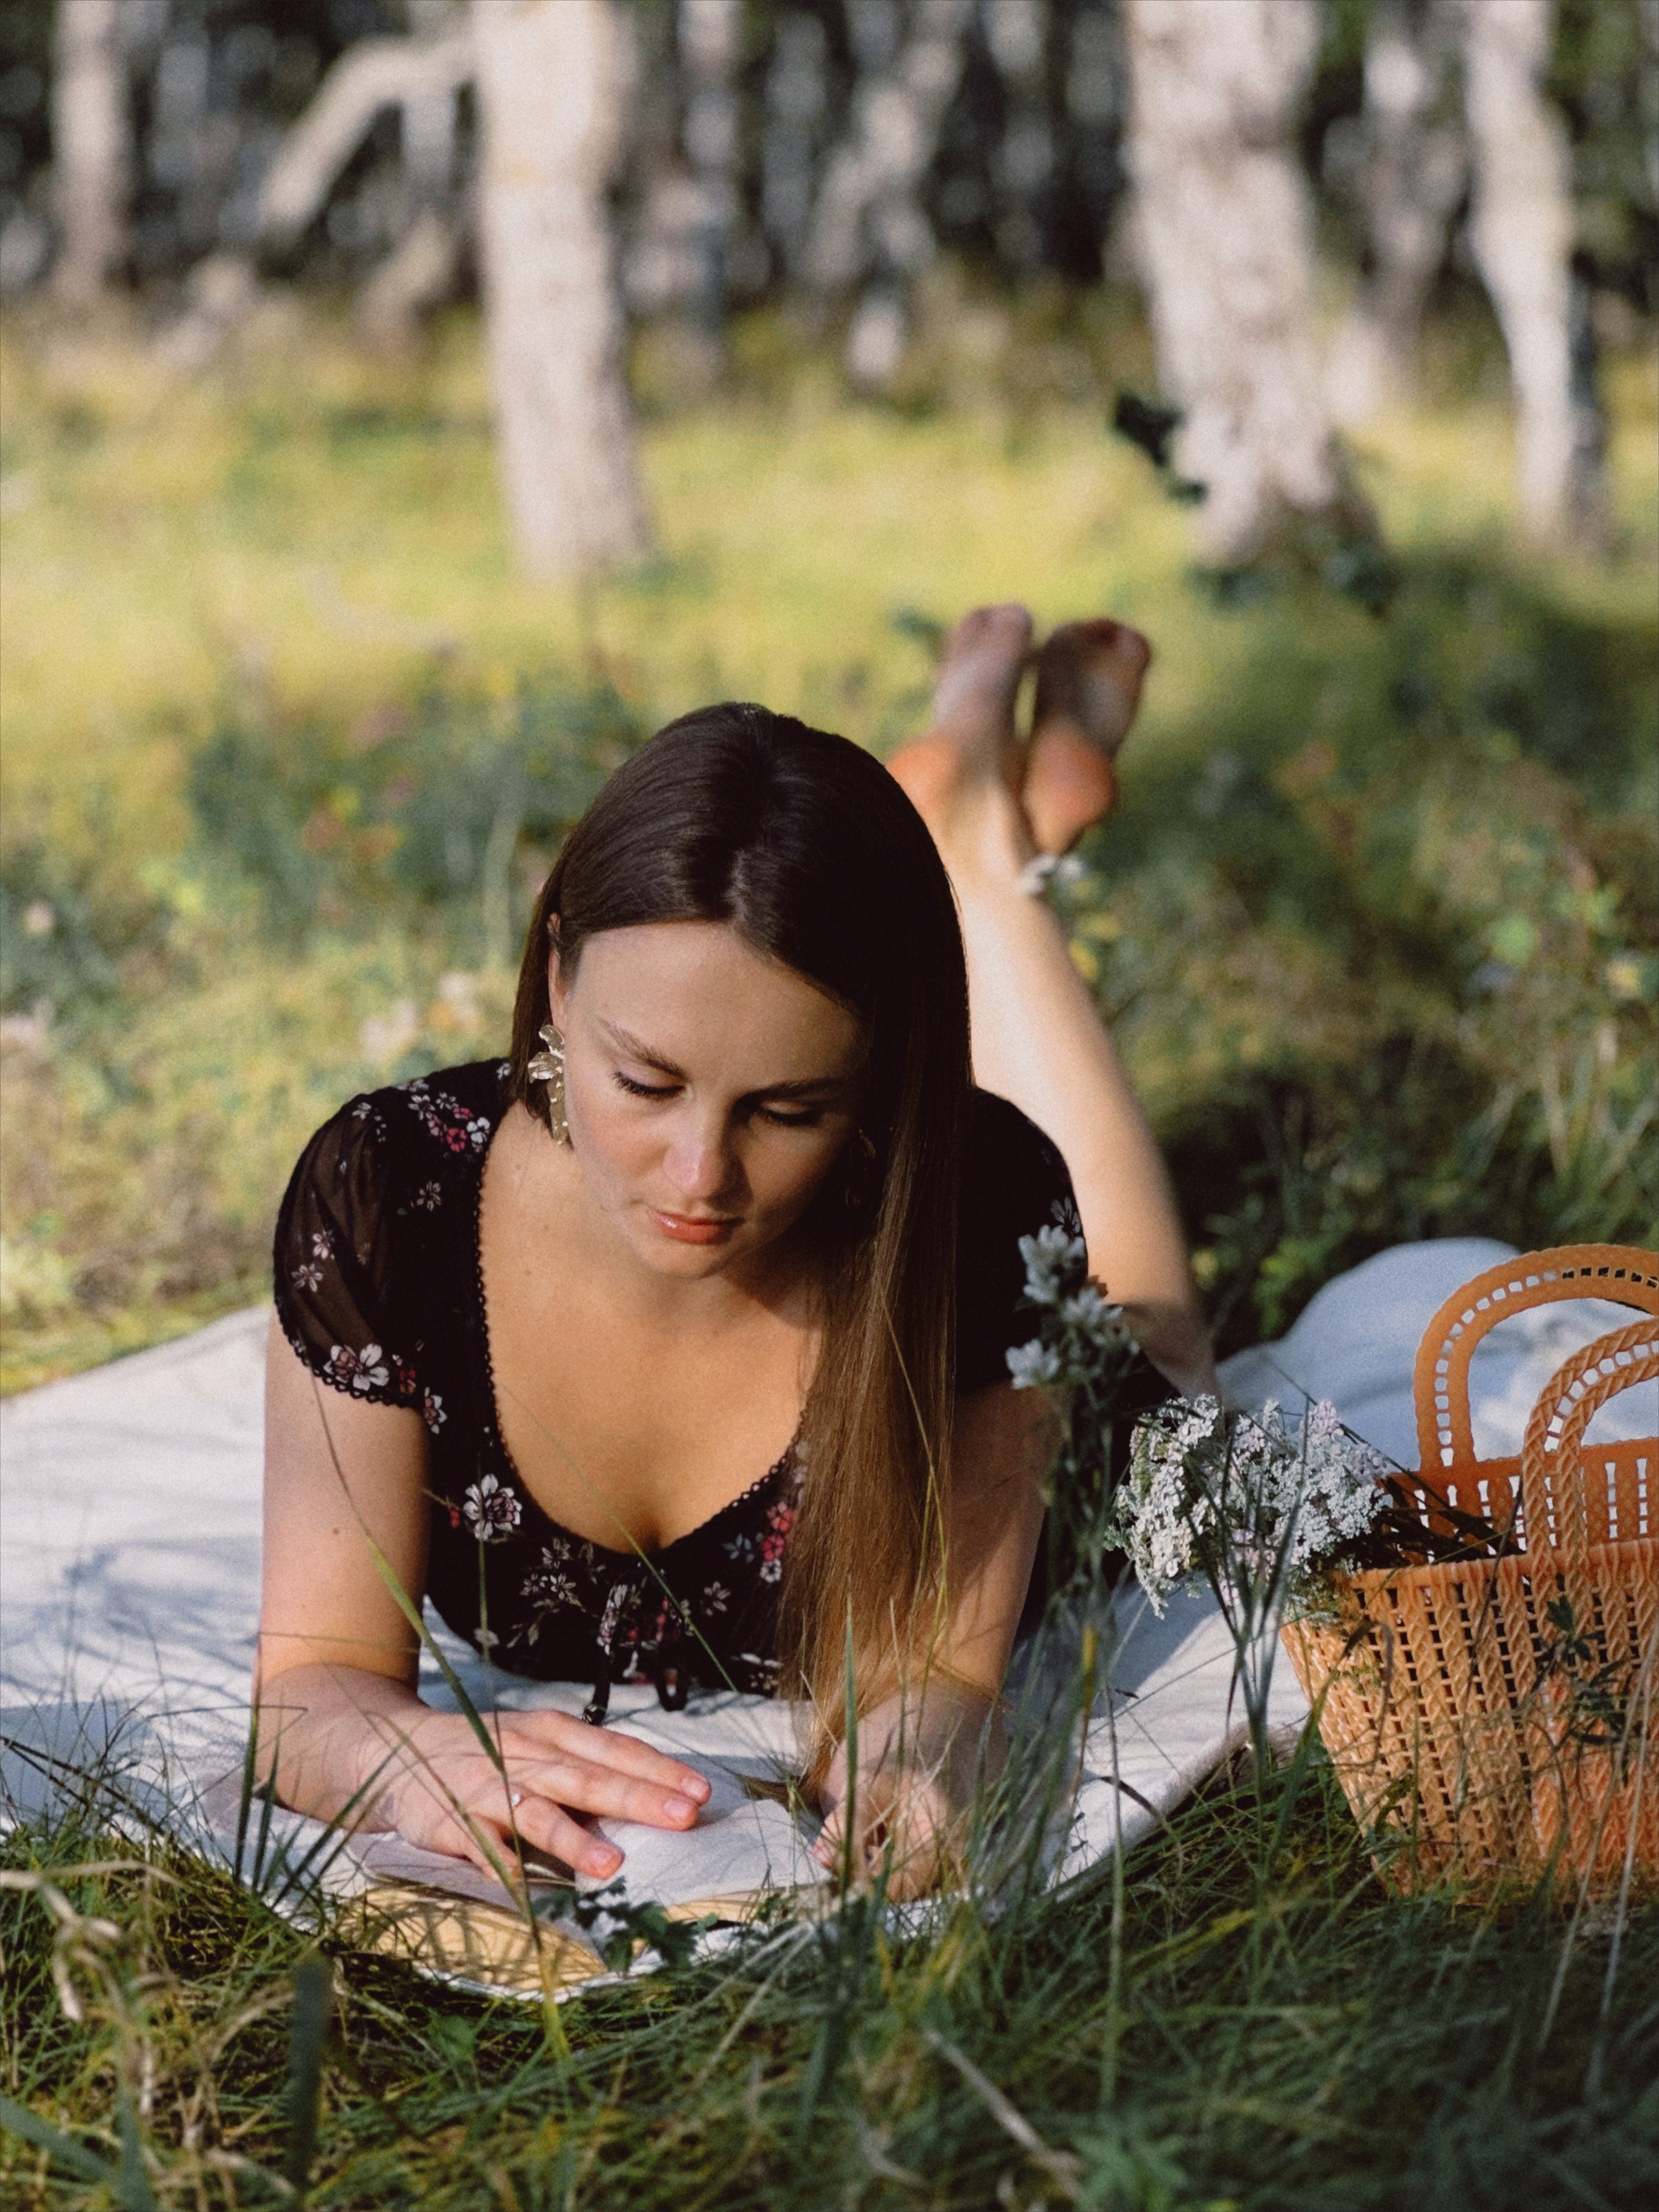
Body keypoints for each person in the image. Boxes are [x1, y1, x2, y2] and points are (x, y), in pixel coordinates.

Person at [255, 606, 1212, 1900]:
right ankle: (988, 831)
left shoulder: (972, 1200)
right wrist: (406, 1754)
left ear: (872, 1089)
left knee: (1160, 1338)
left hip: (1048, 1372)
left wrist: (923, 1762)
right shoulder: (386, 1204)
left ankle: (987, 867)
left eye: (786, 1110)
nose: (700, 1177)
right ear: (555, 980)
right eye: (643, 1083)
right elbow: (309, 1680)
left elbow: (938, 1680)